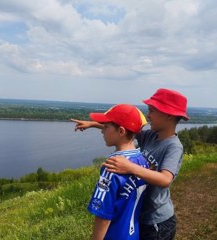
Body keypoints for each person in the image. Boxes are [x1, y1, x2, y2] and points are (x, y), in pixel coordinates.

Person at [72, 88, 189, 240]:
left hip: (157, 221)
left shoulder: (173, 146)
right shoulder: (151, 136)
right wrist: (93, 124)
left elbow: (166, 179)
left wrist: (130, 167)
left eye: (152, 111)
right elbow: (125, 129)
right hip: (140, 214)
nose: (148, 115)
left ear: (168, 115)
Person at [84, 104, 149, 240]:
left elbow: (103, 216)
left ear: (121, 131)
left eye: (106, 127)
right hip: (132, 235)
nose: (102, 131)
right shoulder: (142, 161)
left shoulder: (112, 166)